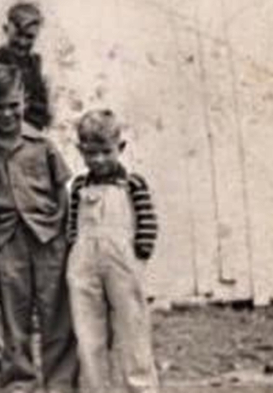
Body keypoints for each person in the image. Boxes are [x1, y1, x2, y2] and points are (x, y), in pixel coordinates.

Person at [0, 64, 78, 393]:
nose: (7, 113)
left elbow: (62, 189)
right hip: (8, 238)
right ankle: (19, 381)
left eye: (13, 104)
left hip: (48, 236)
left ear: (24, 100)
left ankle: (60, 381)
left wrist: (62, 233)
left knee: (55, 312)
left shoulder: (42, 144)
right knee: (13, 312)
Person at [67, 109, 159, 393]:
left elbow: (147, 219)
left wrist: (140, 252)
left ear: (120, 148)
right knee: (87, 329)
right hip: (84, 261)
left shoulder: (132, 183)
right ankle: (95, 387)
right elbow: (72, 222)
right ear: (81, 151)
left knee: (131, 326)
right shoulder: (80, 185)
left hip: (122, 261)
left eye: (106, 152)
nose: (98, 160)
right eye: (90, 153)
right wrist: (74, 248)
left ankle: (138, 386)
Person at [0, 2, 51, 130]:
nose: (22, 42)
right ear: (6, 29)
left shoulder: (35, 64)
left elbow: (43, 107)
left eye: (29, 37)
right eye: (18, 35)